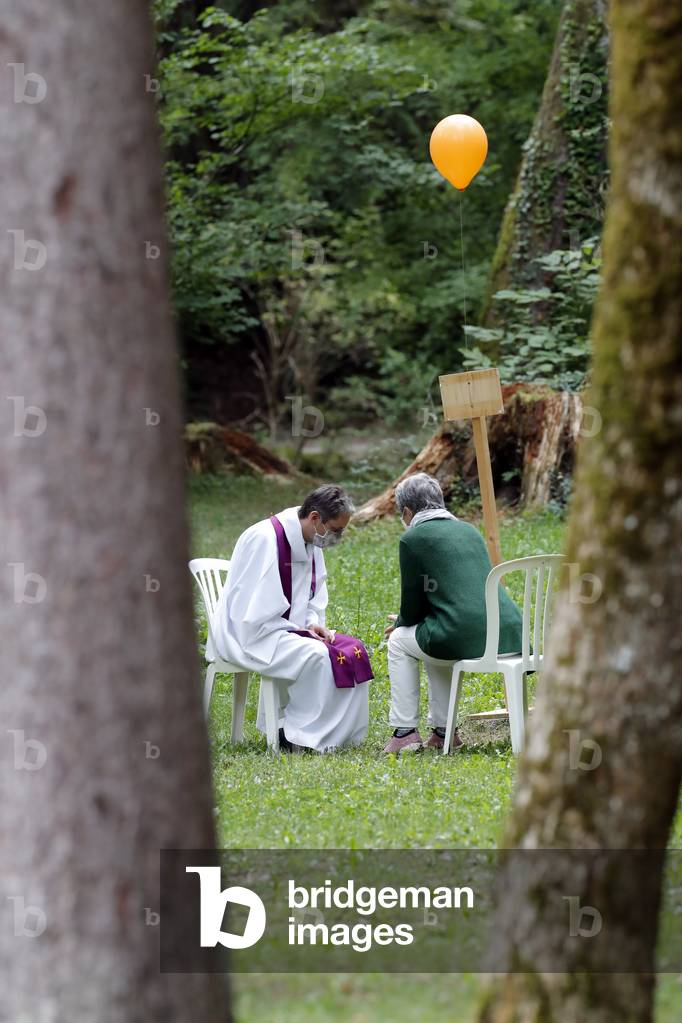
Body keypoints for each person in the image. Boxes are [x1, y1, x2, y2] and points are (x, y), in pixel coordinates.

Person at [214, 484, 369, 752]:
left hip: (287, 630)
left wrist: (312, 623)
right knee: (318, 657)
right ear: (314, 518)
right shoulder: (264, 538)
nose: (336, 538)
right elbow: (249, 610)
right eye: (335, 530)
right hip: (251, 634)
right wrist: (297, 630)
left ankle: (337, 737)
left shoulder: (311, 540)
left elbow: (312, 595)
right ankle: (298, 737)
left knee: (353, 650)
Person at [383, 472, 523, 754]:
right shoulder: (469, 530)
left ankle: (405, 732)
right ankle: (443, 731)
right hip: (506, 633)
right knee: (432, 636)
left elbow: (412, 603)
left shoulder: (413, 538)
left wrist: (400, 623)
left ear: (407, 512)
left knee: (399, 641)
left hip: (463, 636)